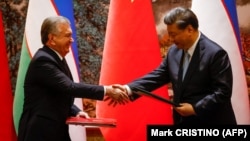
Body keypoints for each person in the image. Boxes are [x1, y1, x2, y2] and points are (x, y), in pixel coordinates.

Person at [109, 7, 237, 125]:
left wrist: (195, 108)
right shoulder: (173, 52)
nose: (170, 39)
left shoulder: (215, 54)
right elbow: (157, 76)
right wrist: (128, 89)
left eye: (173, 34)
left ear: (189, 30)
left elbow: (223, 93)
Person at [17, 16, 128, 141]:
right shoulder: (43, 61)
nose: (72, 40)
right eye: (67, 36)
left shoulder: (56, 58)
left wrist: (75, 111)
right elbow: (69, 87)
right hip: (39, 133)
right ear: (52, 38)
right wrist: (107, 90)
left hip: (55, 131)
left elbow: (56, 95)